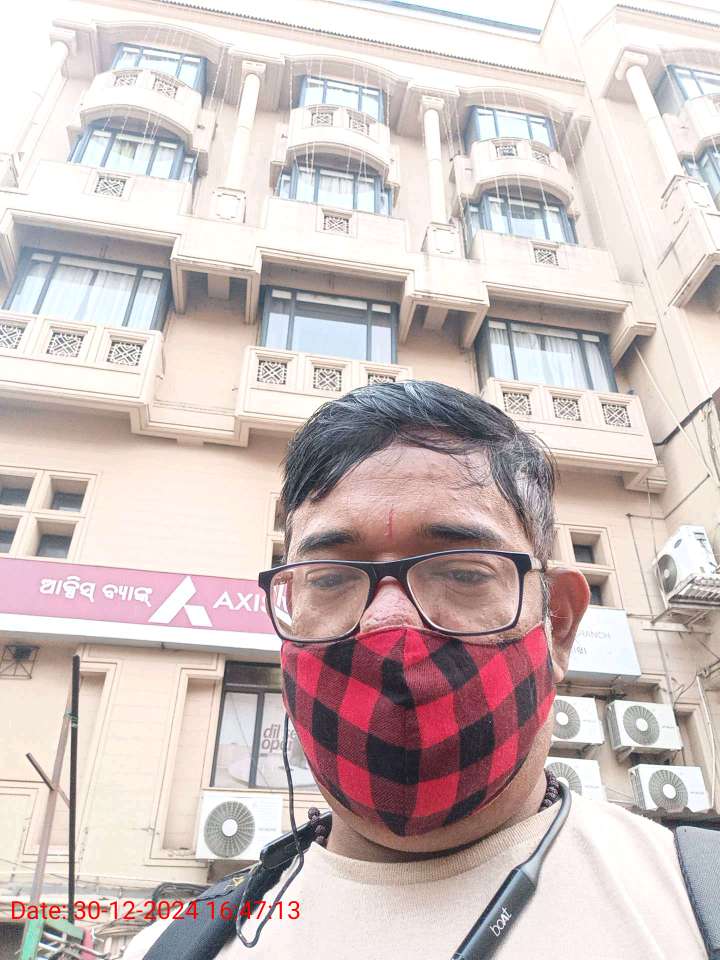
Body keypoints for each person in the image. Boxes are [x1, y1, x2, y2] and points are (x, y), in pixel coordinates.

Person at [126, 381, 706, 959]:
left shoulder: (699, 906)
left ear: (557, 624)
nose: (388, 625)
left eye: (463, 573)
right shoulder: (173, 947)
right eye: (330, 578)